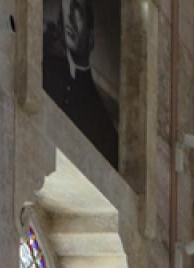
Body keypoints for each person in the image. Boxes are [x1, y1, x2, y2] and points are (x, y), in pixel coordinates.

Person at [44, 0, 119, 166]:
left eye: (76, 9)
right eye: (66, 8)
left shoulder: (102, 122)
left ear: (91, 39)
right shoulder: (45, 68)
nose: (69, 17)